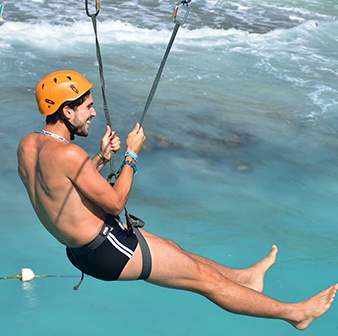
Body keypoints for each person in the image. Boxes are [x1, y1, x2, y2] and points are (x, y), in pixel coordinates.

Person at [17, 70, 337, 330]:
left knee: (174, 249)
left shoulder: (29, 146)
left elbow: (61, 189)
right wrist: (131, 154)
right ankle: (295, 314)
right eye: (86, 107)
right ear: (67, 110)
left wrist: (100, 159)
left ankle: (245, 278)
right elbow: (114, 202)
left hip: (86, 249)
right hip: (107, 249)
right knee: (206, 281)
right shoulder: (71, 154)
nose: (93, 114)